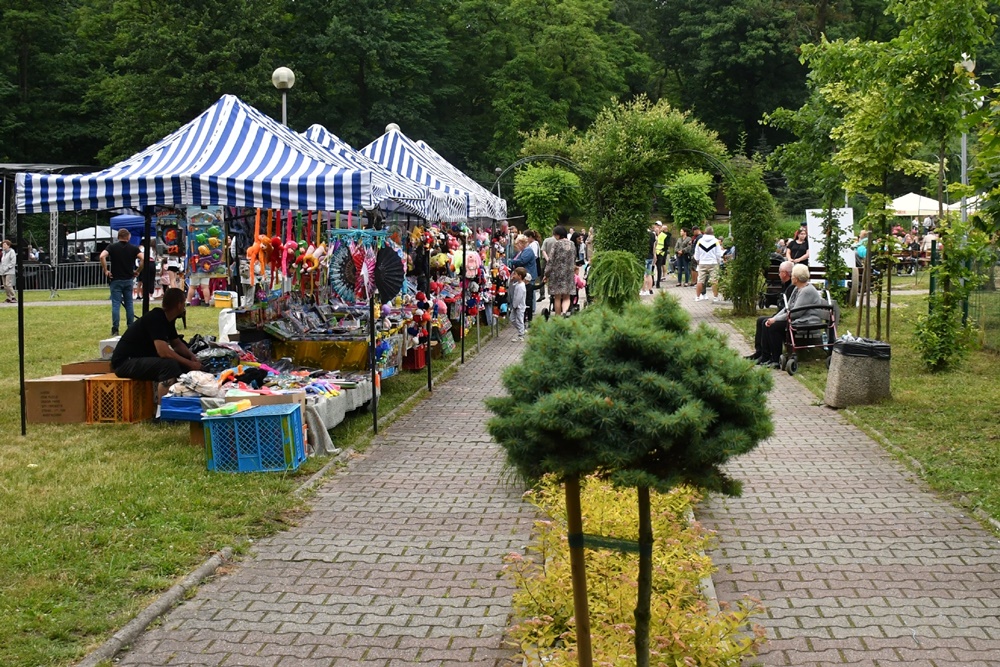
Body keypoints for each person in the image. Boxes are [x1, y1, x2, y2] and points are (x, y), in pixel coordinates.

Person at [111, 288, 202, 393]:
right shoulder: (156, 318)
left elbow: (177, 344)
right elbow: (163, 352)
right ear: (179, 305)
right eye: (184, 303)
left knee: (181, 364)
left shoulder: (168, 319)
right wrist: (190, 364)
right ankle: (162, 403)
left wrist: (191, 357)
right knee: (169, 366)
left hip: (137, 359)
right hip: (124, 363)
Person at [762, 264, 826, 368]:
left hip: (806, 322)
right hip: (798, 319)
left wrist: (775, 320)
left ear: (796, 278)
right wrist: (774, 318)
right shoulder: (797, 289)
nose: (791, 277)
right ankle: (766, 356)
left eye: (792, 275)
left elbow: (796, 313)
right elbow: (788, 307)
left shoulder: (806, 291)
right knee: (766, 322)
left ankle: (776, 359)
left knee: (774, 326)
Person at [746, 261, 794, 363]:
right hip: (782, 314)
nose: (778, 274)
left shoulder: (791, 287)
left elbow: (787, 308)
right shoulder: (785, 284)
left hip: (786, 317)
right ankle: (760, 352)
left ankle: (767, 355)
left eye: (779, 272)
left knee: (766, 322)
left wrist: (775, 318)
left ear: (785, 273)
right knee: (760, 320)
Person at [100, 228, 142, 336]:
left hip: (115, 279)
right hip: (128, 279)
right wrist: (138, 271)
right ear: (128, 237)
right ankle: (130, 328)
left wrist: (106, 270)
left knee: (116, 305)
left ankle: (115, 329)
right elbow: (143, 258)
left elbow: (102, 256)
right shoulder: (133, 248)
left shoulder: (112, 247)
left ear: (118, 236)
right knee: (129, 304)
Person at [545, 225, 576, 316]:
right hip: (568, 273)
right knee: (567, 296)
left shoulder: (556, 244)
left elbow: (551, 260)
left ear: (558, 235)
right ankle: (565, 312)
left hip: (556, 274)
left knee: (557, 297)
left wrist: (546, 274)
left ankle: (558, 317)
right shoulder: (572, 244)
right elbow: (574, 257)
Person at [508, 235, 538, 322]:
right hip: (526, 274)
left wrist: (511, 261)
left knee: (529, 295)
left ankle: (529, 312)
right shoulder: (524, 251)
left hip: (528, 275)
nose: (517, 246)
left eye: (518, 244)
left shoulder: (527, 251)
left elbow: (522, 261)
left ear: (521, 243)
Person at [693, 225, 723, 303]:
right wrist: (718, 261)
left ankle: (697, 297)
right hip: (713, 263)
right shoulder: (715, 241)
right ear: (712, 233)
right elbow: (718, 254)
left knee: (700, 280)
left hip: (702, 263)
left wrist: (698, 261)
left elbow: (696, 253)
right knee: (714, 281)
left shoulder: (700, 241)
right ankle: (715, 297)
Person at [509, 267, 527, 342]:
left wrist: (515, 305)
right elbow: (511, 287)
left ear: (519, 276)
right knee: (512, 319)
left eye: (515, 274)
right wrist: (511, 281)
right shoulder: (517, 284)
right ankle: (522, 329)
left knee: (519, 320)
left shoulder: (521, 286)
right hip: (515, 306)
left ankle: (521, 335)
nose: (514, 275)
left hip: (519, 307)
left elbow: (518, 297)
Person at [654, 221, 669, 287]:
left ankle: (658, 282)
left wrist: (662, 250)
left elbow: (666, 245)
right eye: (656, 225)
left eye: (658, 226)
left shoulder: (664, 235)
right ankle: (652, 282)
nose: (657, 227)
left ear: (661, 227)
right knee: (651, 267)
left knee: (659, 267)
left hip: (660, 253)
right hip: (653, 253)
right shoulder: (653, 234)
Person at [1, 239, 16, 303]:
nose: (3, 246)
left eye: (5, 244)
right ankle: (8, 297)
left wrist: (8, 267)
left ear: (8, 245)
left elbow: (13, 261)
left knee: (8, 284)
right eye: (3, 245)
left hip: (9, 270)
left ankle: (13, 297)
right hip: (3, 270)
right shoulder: (3, 252)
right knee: (4, 285)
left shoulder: (12, 252)